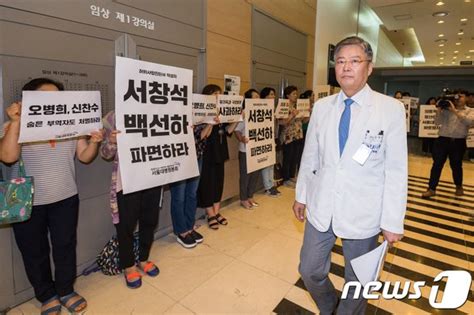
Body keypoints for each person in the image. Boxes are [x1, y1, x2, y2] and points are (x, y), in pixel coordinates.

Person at [293, 36, 407, 314]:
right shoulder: (322, 107)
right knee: (309, 269)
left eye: (355, 61)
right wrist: (302, 195)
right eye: (341, 62)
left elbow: (396, 169)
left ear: (369, 68)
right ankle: (329, 304)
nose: (346, 67)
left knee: (358, 280)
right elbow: (311, 156)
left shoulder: (390, 109)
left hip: (364, 211)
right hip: (322, 206)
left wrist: (392, 220)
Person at [6, 78, 104, 314]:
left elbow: (84, 156)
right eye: (45, 97)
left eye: (57, 97)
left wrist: (94, 143)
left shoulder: (71, 123)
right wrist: (16, 123)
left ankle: (65, 290)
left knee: (65, 246)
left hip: (66, 196)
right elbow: (8, 157)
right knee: (33, 250)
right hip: (27, 202)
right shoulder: (14, 125)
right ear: (29, 100)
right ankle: (46, 294)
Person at [101, 111, 162, 289]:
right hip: (127, 180)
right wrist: (111, 142)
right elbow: (105, 153)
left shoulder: (163, 110)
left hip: (153, 176)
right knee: (125, 224)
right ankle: (128, 265)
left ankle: (143, 258)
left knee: (150, 221)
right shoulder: (114, 117)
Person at [197, 84, 238, 229]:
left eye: (219, 94)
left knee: (219, 182)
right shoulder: (201, 111)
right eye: (215, 94)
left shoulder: (222, 109)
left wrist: (237, 119)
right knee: (207, 183)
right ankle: (210, 214)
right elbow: (202, 136)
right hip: (207, 151)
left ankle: (217, 211)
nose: (217, 97)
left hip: (220, 150)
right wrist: (211, 122)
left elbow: (228, 131)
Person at [169, 115, 211, 248]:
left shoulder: (199, 111)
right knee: (179, 197)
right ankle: (181, 231)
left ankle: (189, 227)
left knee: (192, 194)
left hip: (197, 156)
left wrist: (211, 123)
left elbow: (203, 136)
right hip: (178, 157)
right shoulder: (175, 110)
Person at [422, 89, 474, 198]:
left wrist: (454, 110)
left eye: (461, 96)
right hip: (442, 140)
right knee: (437, 165)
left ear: (467, 98)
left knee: (456, 166)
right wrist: (439, 110)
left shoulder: (470, 110)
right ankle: (431, 188)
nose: (458, 98)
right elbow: (437, 122)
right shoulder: (446, 109)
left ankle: (459, 186)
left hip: (458, 142)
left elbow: (469, 122)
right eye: (457, 96)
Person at [235, 89, 261, 209]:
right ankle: (243, 198)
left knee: (255, 175)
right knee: (245, 176)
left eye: (259, 96)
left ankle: (250, 196)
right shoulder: (244, 112)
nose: (258, 98)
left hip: (258, 149)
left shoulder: (261, 111)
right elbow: (237, 130)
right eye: (255, 96)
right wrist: (241, 138)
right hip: (245, 149)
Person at [279, 85, 303, 188]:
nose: (296, 96)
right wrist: (292, 115)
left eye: (296, 93)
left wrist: (305, 115)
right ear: (287, 95)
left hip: (297, 134)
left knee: (295, 157)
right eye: (293, 94)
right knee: (287, 158)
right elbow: (282, 123)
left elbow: (302, 121)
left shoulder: (296, 106)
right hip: (288, 136)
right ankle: (285, 179)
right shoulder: (283, 107)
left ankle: (292, 176)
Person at [259, 87, 281, 197]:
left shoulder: (274, 109)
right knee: (265, 164)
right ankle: (267, 187)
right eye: (271, 94)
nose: (273, 97)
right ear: (265, 97)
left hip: (272, 138)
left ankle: (272, 185)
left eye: (274, 94)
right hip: (263, 140)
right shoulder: (261, 108)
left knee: (271, 163)